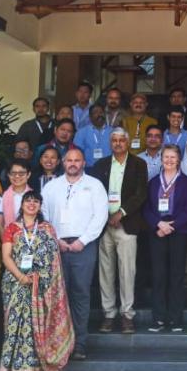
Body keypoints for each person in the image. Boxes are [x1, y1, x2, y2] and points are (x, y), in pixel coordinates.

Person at [0, 192, 74, 371]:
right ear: (21, 205)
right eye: (28, 201)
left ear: (40, 206)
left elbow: (54, 261)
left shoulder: (48, 229)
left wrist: (41, 280)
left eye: (35, 201)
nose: (31, 204)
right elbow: (6, 256)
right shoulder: (11, 228)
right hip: (15, 284)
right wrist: (21, 277)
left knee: (35, 329)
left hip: (41, 286)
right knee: (16, 328)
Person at [42, 149, 108, 359]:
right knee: (58, 295)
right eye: (69, 160)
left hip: (83, 247)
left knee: (80, 294)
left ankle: (79, 343)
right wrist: (56, 240)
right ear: (63, 162)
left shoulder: (95, 185)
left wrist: (83, 240)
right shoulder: (51, 187)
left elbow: (100, 216)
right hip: (57, 246)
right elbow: (43, 217)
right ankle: (59, 343)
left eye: (77, 160)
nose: (72, 163)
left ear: (84, 162)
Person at [93, 128, 148, 334]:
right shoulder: (101, 165)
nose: (118, 144)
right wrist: (105, 216)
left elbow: (141, 193)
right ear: (110, 143)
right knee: (105, 272)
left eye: (121, 140)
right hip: (104, 225)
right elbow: (96, 193)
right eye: (114, 140)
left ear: (127, 142)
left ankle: (127, 314)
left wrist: (121, 213)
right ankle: (108, 313)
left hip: (127, 224)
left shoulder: (138, 164)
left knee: (127, 272)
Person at [143, 144, 187, 332]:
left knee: (176, 276)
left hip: (178, 232)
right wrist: (158, 224)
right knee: (158, 276)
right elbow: (146, 208)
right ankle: (158, 319)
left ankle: (175, 319)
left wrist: (172, 226)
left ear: (179, 160)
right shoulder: (153, 182)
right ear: (161, 159)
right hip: (157, 232)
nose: (169, 161)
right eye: (166, 157)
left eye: (173, 157)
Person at [0, 159, 32, 232]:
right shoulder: (1, 196)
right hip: (8, 240)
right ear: (8, 175)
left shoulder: (35, 196)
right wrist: (7, 241)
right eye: (13, 173)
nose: (17, 176)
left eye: (21, 173)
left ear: (28, 175)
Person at [73, 104, 113, 169]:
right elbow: (77, 152)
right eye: (95, 112)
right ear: (90, 117)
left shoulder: (113, 132)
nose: (99, 115)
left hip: (109, 168)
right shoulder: (81, 132)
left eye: (101, 112)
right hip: (88, 169)